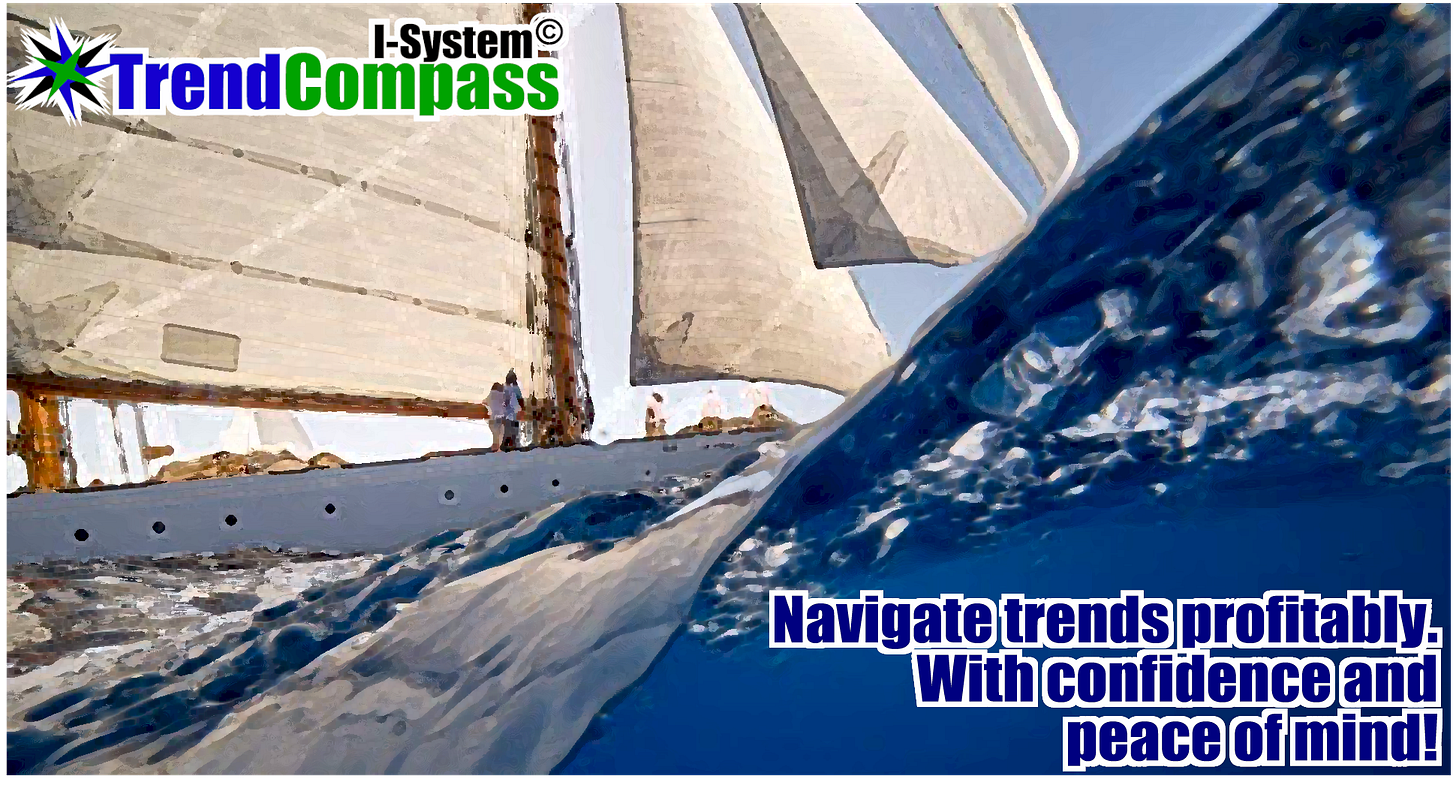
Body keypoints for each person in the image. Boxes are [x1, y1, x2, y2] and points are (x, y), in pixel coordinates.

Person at [500, 370, 525, 450]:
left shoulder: (504, 387)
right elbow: (520, 400)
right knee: (514, 430)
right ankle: (513, 444)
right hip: (514, 413)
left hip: (506, 413)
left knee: (507, 429)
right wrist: (522, 409)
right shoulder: (515, 388)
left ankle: (506, 444)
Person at [486, 382, 508, 451]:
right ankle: (497, 450)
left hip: (493, 419)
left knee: (496, 437)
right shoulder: (502, 395)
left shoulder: (489, 396)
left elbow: (485, 402)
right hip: (500, 419)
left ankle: (495, 449)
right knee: (500, 436)